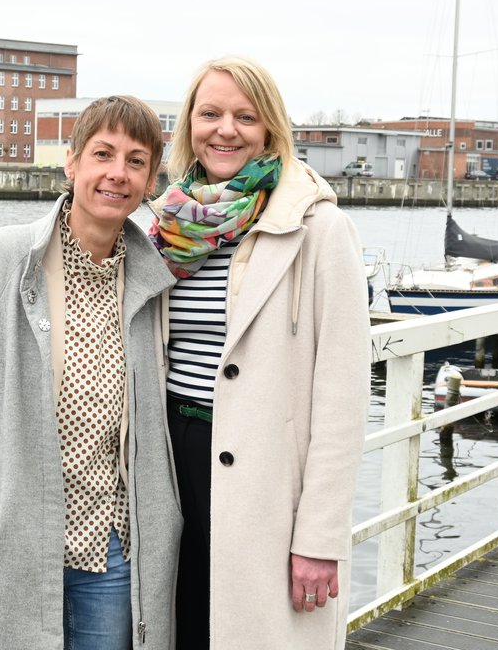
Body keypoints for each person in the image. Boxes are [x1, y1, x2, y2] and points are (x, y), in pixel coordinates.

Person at [0, 96, 182, 650]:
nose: (118, 173)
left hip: (113, 552)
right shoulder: (4, 257)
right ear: (72, 163)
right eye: (103, 154)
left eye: (136, 161)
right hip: (16, 540)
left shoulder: (153, 281)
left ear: (150, 180)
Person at [148, 57, 370, 650]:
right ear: (188, 125)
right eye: (210, 113)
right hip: (171, 468)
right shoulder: (171, 227)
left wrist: (320, 536)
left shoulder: (317, 227)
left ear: (271, 128)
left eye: (246, 117)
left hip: (266, 485)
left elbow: (344, 399)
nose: (226, 130)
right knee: (187, 628)